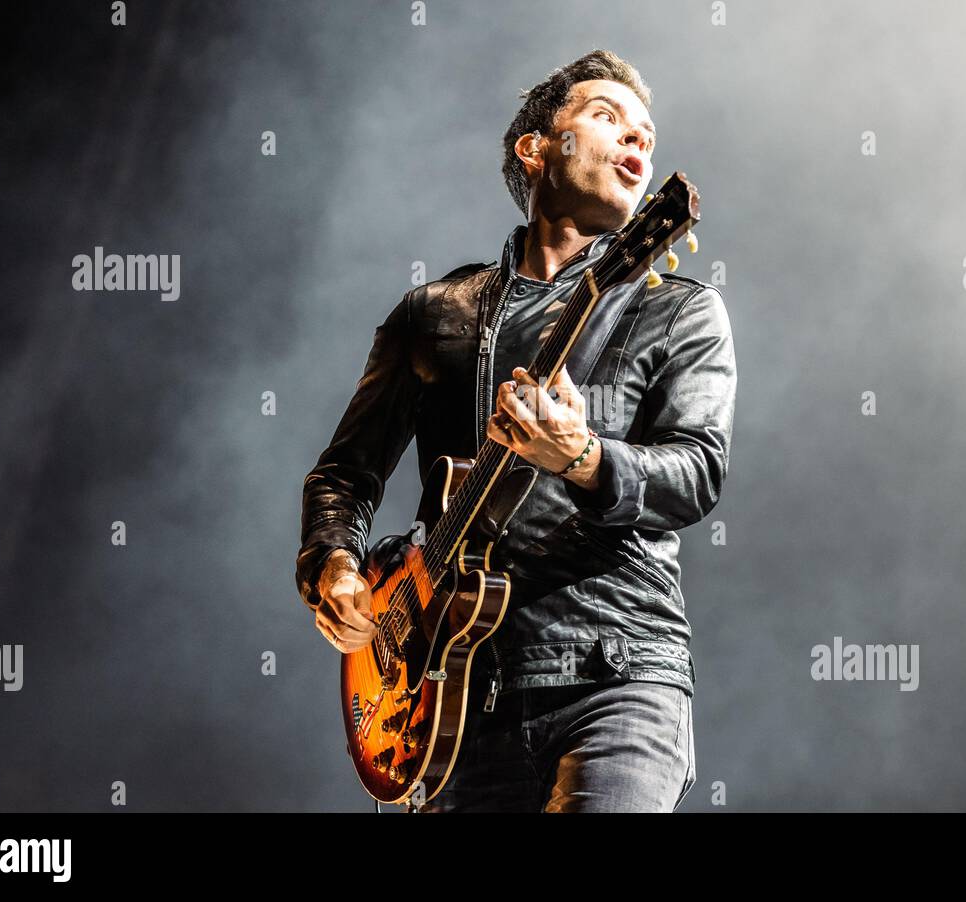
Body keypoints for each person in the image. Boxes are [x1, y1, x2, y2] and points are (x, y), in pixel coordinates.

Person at [295, 49, 736, 812]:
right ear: (535, 149)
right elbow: (345, 475)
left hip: (619, 675)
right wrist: (332, 566)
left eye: (647, 134)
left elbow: (697, 473)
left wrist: (585, 457)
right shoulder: (434, 313)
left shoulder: (679, 310)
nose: (637, 140)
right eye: (607, 118)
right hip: (454, 697)